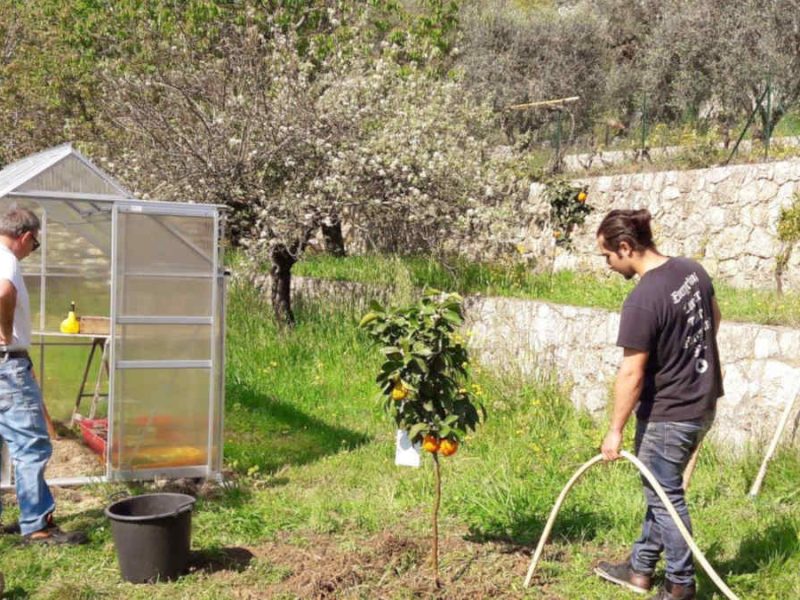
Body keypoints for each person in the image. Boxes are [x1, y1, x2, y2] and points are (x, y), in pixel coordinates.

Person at [593, 209, 722, 600]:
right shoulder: (691, 271)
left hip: (670, 414)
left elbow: (631, 374)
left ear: (626, 247)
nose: (607, 264)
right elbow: (713, 319)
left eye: (607, 256)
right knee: (660, 489)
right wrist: (685, 360)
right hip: (704, 401)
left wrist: (614, 431)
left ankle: (681, 584)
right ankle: (640, 568)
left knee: (666, 499)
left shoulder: (642, 300)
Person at [0, 205, 86, 544]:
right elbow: (4, 292)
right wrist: (5, 332)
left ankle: (26, 516)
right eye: (35, 245)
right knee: (31, 444)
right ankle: (37, 526)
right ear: (25, 237)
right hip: (7, 362)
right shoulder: (7, 259)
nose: (32, 251)